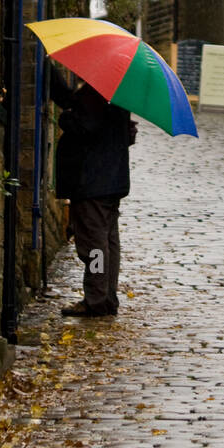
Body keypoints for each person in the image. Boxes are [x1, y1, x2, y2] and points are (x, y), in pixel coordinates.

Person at [49, 63, 137, 317]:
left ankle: (96, 300)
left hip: (92, 182)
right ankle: (106, 297)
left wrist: (66, 117)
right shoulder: (116, 92)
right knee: (108, 243)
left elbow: (85, 125)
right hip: (111, 182)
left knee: (95, 246)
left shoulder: (97, 92)